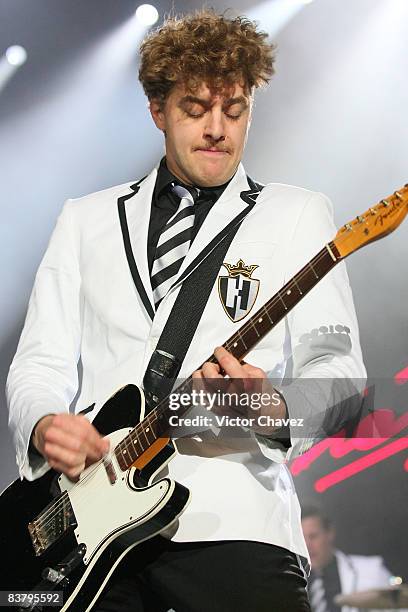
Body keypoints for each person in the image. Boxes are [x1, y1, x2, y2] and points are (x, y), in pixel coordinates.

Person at [6, 10, 366, 612]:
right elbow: (37, 362)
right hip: (87, 528)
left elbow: (349, 390)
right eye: (195, 109)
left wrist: (270, 402)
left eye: (235, 109)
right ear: (157, 111)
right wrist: (44, 423)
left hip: (233, 526)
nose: (217, 129)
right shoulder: (84, 219)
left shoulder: (298, 215)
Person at [302, 506, 398, 612]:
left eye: (313, 536)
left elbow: (399, 606)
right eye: (302, 539)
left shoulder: (372, 570)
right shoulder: (293, 582)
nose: (307, 545)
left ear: (330, 533)